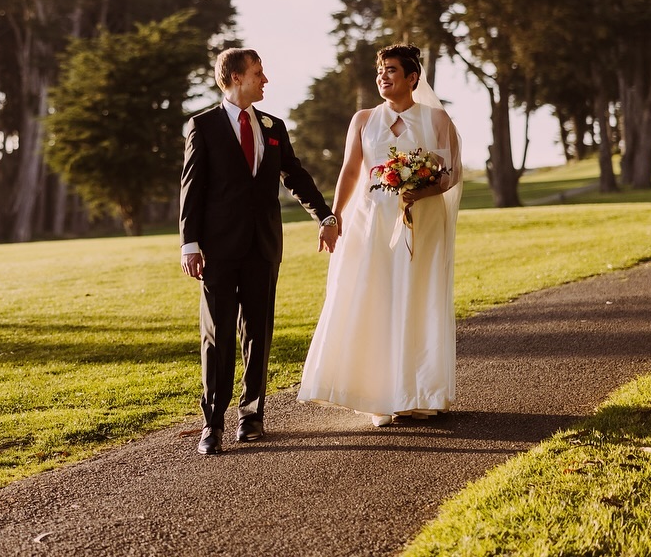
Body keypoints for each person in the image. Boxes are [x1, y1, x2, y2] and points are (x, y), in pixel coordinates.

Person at [180, 48, 339, 454]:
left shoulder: (273, 126)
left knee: (258, 333)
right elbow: (191, 188)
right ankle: (213, 424)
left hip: (264, 246)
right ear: (235, 77)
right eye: (258, 73)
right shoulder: (203, 126)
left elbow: (295, 175)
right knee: (217, 336)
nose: (265, 80)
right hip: (217, 250)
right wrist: (189, 243)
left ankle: (251, 417)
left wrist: (324, 215)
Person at [296, 43, 463, 427]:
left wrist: (421, 191)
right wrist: (333, 216)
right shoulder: (364, 119)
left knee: (417, 297)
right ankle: (378, 395)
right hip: (370, 222)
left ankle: (419, 393)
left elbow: (451, 173)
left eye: (391, 70)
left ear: (412, 77)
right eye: (380, 70)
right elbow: (350, 171)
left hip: (422, 222)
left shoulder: (437, 119)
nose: (382, 76)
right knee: (376, 298)